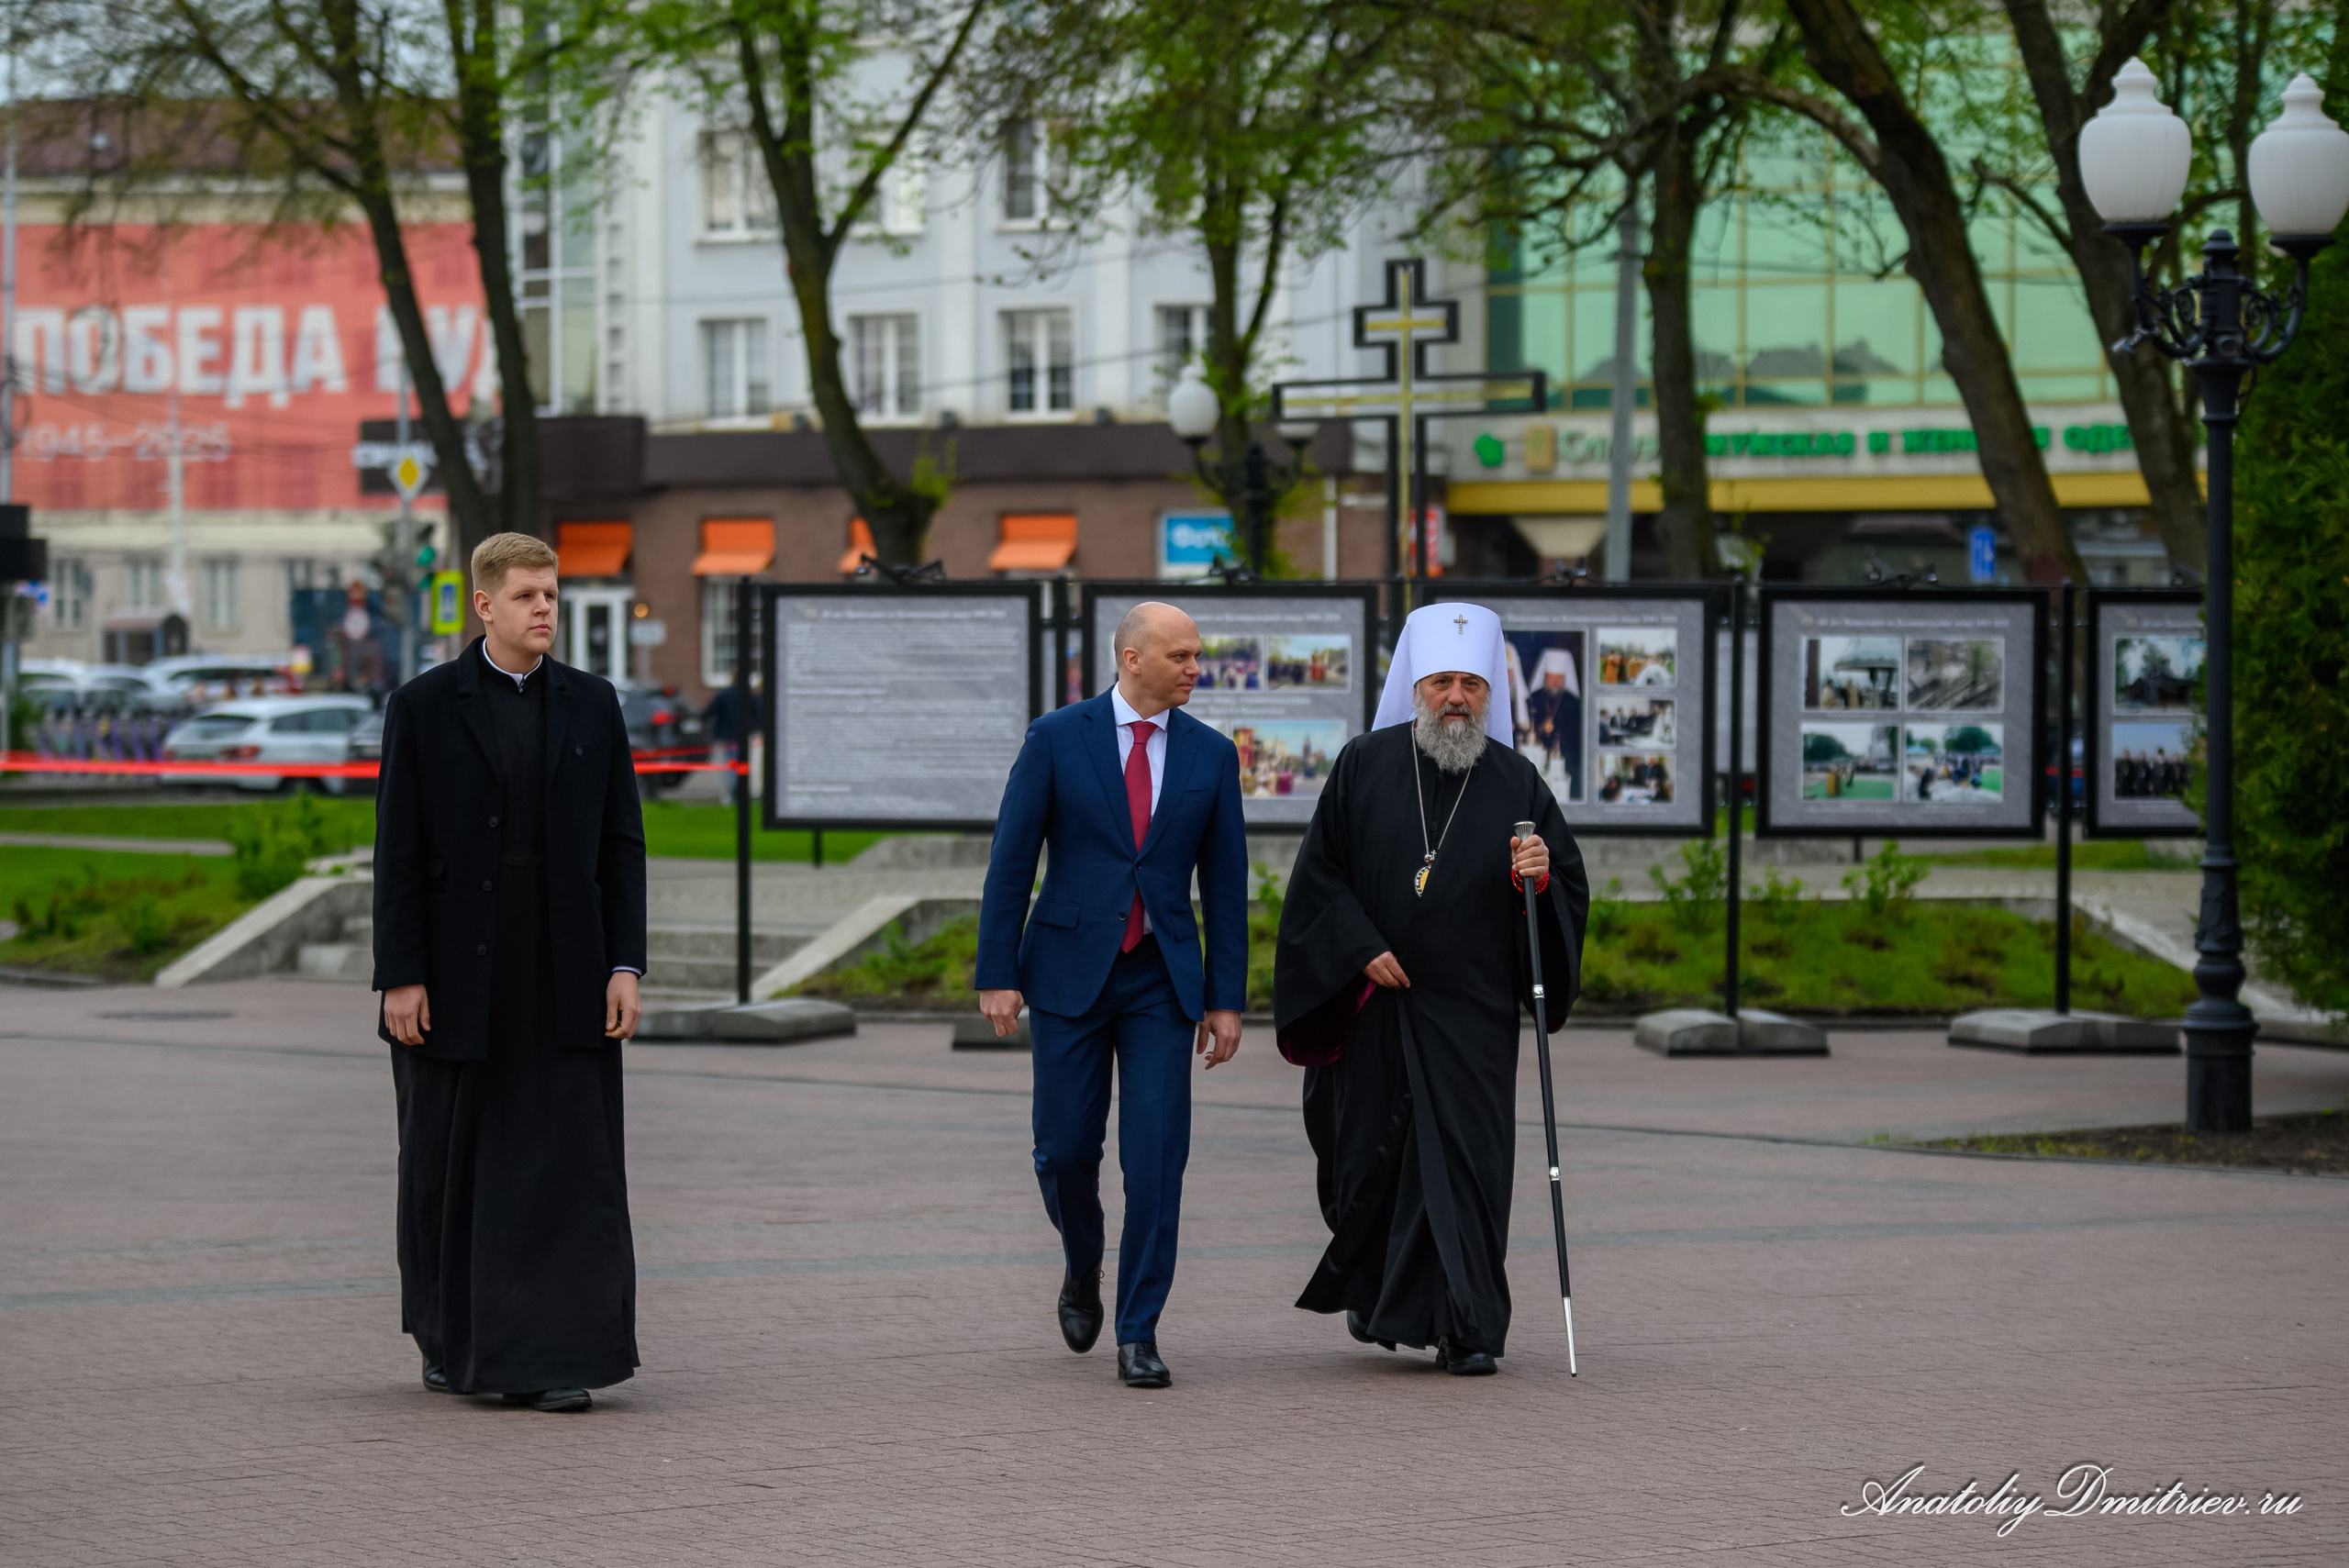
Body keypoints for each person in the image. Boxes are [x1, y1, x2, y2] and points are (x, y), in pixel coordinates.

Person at [1273, 603, 1589, 1376]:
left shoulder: (1517, 781)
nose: (1456, 697)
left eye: (1472, 684)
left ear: (1489, 695)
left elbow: (1566, 888)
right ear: (1416, 688)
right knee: (1367, 1160)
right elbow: (1318, 879)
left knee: (1471, 1168)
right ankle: (1379, 1292)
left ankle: (1468, 1325)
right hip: (1375, 1008)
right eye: (1443, 681)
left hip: (1471, 1016)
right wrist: (1360, 946)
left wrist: (1540, 878)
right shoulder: (1362, 765)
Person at [372, 532, 650, 1413]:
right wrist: (401, 973)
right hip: (455, 979)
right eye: (528, 595)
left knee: (567, 1166)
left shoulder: (592, 703)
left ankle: (558, 1352)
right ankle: (446, 1335)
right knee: (444, 1163)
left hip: (566, 973)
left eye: (552, 594)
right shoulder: (424, 706)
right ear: (484, 605)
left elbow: (621, 842)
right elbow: (398, 849)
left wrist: (624, 963)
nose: (545, 609)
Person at [975, 601, 1248, 1389]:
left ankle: (1139, 1330)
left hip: (1162, 978)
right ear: (1132, 658)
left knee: (1157, 1156)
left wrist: (1226, 998)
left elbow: (1225, 885)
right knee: (1064, 1151)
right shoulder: (1056, 737)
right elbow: (1011, 862)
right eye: (1181, 656)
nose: (1196, 668)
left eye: (1197, 655)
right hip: (1067, 972)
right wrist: (997, 973)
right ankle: (1082, 1259)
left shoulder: (1211, 754)